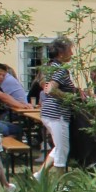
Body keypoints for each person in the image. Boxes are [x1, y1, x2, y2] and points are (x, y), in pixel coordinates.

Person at [35, 37, 77, 180]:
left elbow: (43, 84)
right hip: (57, 114)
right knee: (62, 149)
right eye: (69, 50)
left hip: (49, 112)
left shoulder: (50, 67)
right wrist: (70, 97)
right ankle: (61, 184)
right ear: (61, 52)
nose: (71, 53)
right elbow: (51, 89)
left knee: (58, 147)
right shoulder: (60, 69)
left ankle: (39, 175)